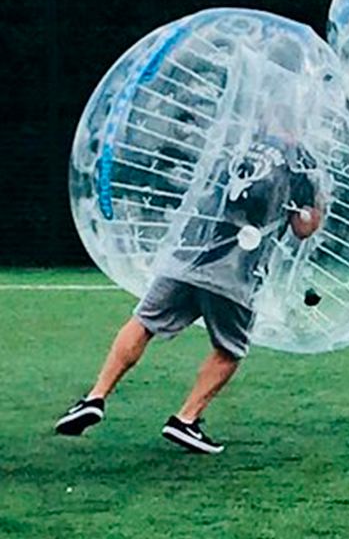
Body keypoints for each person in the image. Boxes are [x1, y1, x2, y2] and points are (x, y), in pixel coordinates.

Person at [55, 137, 322, 454]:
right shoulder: (303, 164)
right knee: (229, 351)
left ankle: (95, 397)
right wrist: (320, 196)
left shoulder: (240, 136)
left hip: (189, 255)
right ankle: (186, 420)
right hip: (236, 271)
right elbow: (303, 228)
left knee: (143, 322)